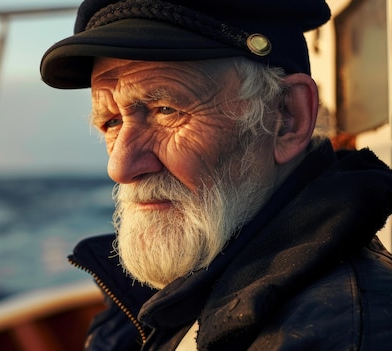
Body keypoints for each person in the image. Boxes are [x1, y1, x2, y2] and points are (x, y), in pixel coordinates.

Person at [40, 0, 392, 350]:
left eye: (166, 110)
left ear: (287, 117)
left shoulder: (336, 332)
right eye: (112, 121)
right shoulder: (185, 274)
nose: (120, 167)